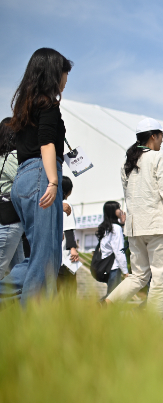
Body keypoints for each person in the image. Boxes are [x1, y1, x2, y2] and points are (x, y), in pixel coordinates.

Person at [0, 49, 72, 305]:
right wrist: (53, 181)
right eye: (65, 73)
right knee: (46, 257)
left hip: (24, 178)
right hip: (41, 175)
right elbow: (47, 145)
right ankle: (34, 320)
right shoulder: (48, 105)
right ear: (54, 73)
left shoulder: (26, 105)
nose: (66, 79)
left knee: (44, 256)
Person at [105, 118, 163, 315]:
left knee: (138, 276)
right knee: (161, 280)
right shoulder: (159, 158)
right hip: (157, 226)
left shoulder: (128, 162)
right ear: (152, 136)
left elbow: (128, 195)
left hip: (134, 227)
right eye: (161, 136)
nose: (162, 141)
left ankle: (106, 305)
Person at [0, 118, 24, 279]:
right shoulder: (11, 158)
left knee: (18, 271)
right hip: (10, 219)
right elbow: (25, 181)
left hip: (9, 219)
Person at [97, 201, 128, 297]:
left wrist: (122, 224)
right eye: (118, 208)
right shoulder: (116, 228)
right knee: (113, 297)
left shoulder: (106, 227)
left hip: (106, 266)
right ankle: (98, 308)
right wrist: (125, 271)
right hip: (114, 267)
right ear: (113, 211)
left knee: (111, 295)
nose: (121, 211)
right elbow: (119, 251)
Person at [56, 176, 80, 296]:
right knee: (69, 290)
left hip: (54, 257)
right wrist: (73, 248)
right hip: (65, 257)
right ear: (69, 191)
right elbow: (69, 229)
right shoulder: (66, 204)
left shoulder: (53, 206)